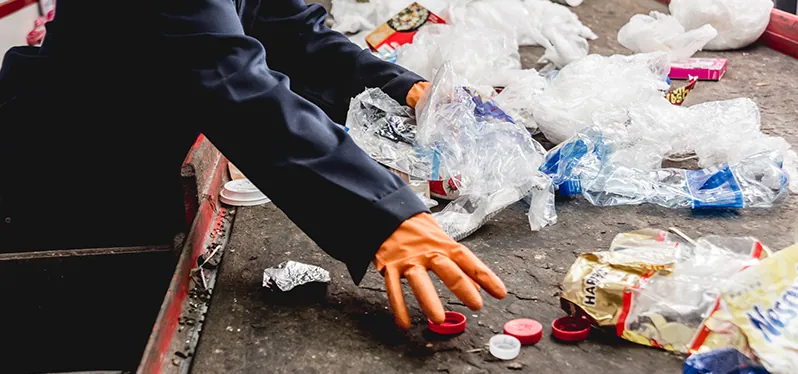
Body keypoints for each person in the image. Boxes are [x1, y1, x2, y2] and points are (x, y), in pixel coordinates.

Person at [0, 0, 506, 330]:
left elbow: (291, 34)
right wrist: (383, 213)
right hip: (67, 172)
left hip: (145, 146)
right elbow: (229, 81)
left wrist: (405, 88)